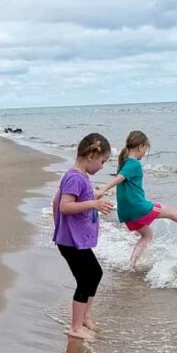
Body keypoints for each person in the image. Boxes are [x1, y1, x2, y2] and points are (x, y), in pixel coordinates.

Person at [97, 130, 177, 270]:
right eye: (146, 149)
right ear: (141, 146)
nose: (145, 153)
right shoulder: (133, 163)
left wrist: (104, 190)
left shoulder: (125, 162)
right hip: (137, 208)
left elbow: (122, 180)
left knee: (147, 235)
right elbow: (120, 178)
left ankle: (130, 265)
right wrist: (103, 189)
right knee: (172, 212)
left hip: (125, 212)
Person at [52, 132, 114, 340]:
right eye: (102, 161)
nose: (102, 166)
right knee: (85, 279)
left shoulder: (80, 177)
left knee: (94, 273)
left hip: (73, 240)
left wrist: (94, 196)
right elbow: (64, 206)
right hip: (70, 242)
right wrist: (93, 204)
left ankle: (86, 317)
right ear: (91, 156)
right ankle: (76, 327)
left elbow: (56, 202)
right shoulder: (74, 177)